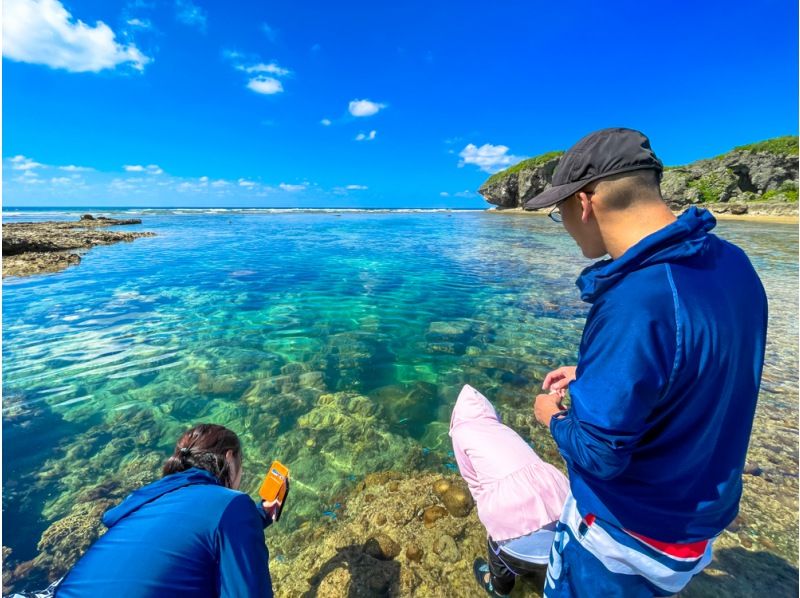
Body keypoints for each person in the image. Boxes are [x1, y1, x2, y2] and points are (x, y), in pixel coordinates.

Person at [527, 128, 768, 597]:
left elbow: (599, 453)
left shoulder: (637, 299)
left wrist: (552, 416)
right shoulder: (732, 263)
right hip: (694, 521)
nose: (565, 224)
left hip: (624, 532)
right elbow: (704, 359)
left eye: (559, 213)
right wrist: (597, 375)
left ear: (584, 203)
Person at [55, 423, 279, 597]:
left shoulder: (144, 501)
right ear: (230, 457)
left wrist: (258, 516)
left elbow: (185, 537)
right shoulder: (233, 503)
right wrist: (245, 516)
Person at [450, 384, 570, 596]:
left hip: (516, 545)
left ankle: (498, 588)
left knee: (497, 547)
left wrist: (491, 516)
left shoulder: (461, 433)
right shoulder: (503, 429)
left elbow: (473, 482)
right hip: (563, 530)